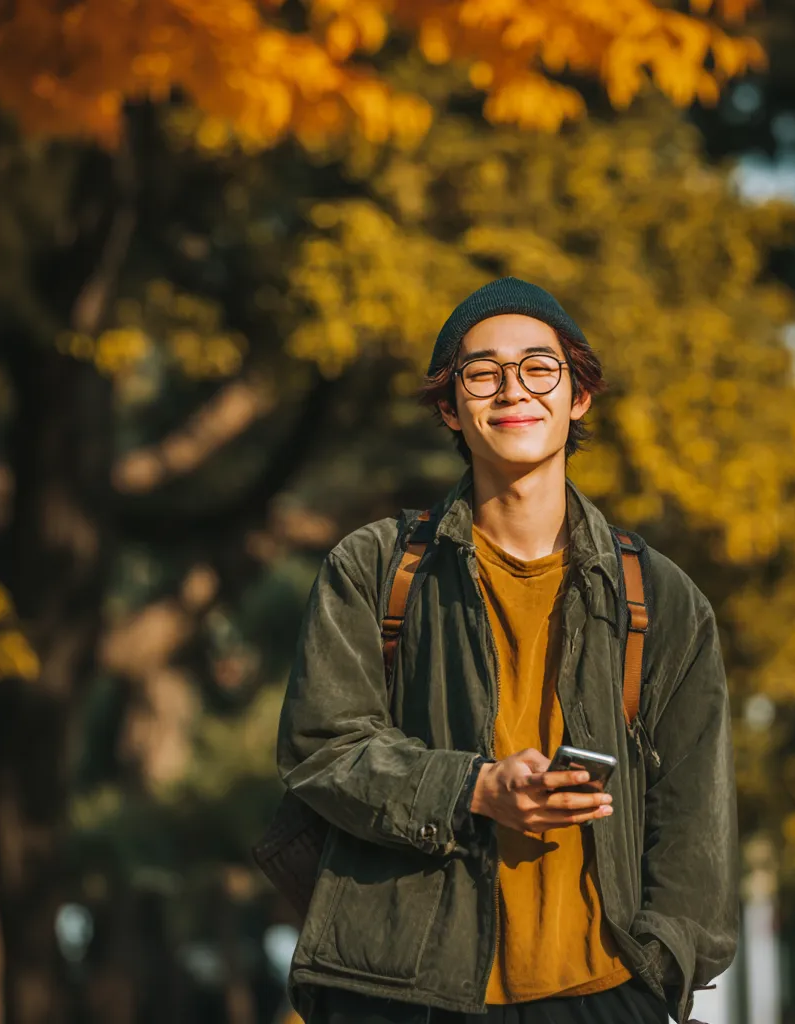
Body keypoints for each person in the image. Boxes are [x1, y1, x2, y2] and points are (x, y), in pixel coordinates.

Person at [276, 278, 738, 1024]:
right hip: (402, 993)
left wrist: (658, 970)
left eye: (539, 368)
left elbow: (695, 823)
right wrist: (476, 788)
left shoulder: (664, 598)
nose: (513, 389)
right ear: (448, 406)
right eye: (483, 372)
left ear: (578, 396)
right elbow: (322, 748)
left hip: (603, 993)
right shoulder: (374, 568)